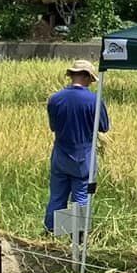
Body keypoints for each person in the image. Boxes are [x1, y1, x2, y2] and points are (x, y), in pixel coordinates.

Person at [44, 59, 109, 233]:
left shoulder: (55, 99)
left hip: (60, 156)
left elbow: (53, 127)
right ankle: (77, 237)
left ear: (72, 75)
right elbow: (103, 127)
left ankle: (51, 234)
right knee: (81, 197)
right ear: (87, 76)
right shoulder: (94, 100)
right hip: (83, 158)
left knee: (57, 197)